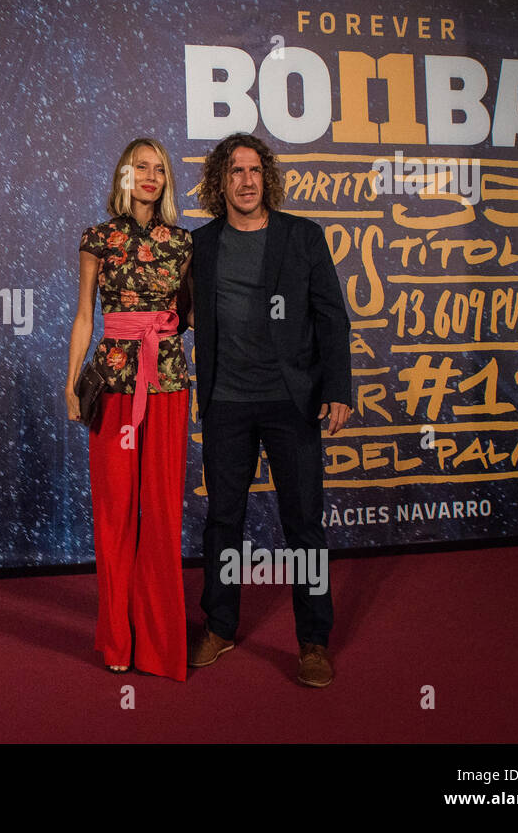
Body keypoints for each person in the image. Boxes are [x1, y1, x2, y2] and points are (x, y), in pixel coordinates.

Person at [186, 132, 351, 687]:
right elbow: (177, 314)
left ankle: (313, 641)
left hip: (292, 401)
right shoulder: (201, 245)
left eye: (255, 170)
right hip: (226, 403)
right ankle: (220, 626)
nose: (247, 180)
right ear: (220, 182)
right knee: (223, 521)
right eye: (234, 171)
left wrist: (338, 390)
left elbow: (332, 317)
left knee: (303, 522)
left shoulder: (303, 237)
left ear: (268, 178)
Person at [67, 138, 192, 681]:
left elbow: (188, 317)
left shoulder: (185, 244)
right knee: (115, 513)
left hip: (167, 387)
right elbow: (83, 318)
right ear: (123, 174)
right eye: (141, 166)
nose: (150, 175)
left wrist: (166, 333)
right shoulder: (98, 238)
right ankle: (118, 637)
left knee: (162, 514)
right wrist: (71, 386)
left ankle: (162, 644)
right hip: (113, 387)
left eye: (159, 168)